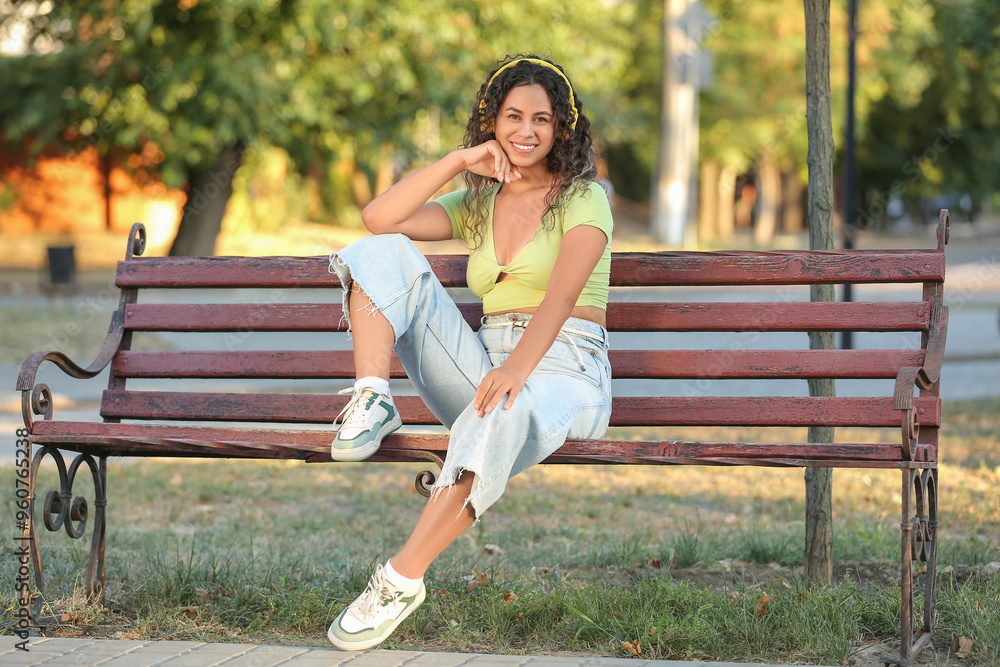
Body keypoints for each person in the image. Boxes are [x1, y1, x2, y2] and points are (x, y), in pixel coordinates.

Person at [325, 54, 614, 651]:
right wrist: (459, 161)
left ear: (562, 128)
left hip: (567, 368)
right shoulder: (478, 204)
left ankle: (399, 580)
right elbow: (379, 218)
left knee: (498, 407)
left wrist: (517, 369)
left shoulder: (584, 197)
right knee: (380, 251)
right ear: (492, 122)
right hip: (487, 363)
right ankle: (372, 399)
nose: (526, 131)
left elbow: (562, 296)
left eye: (542, 119)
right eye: (513, 117)